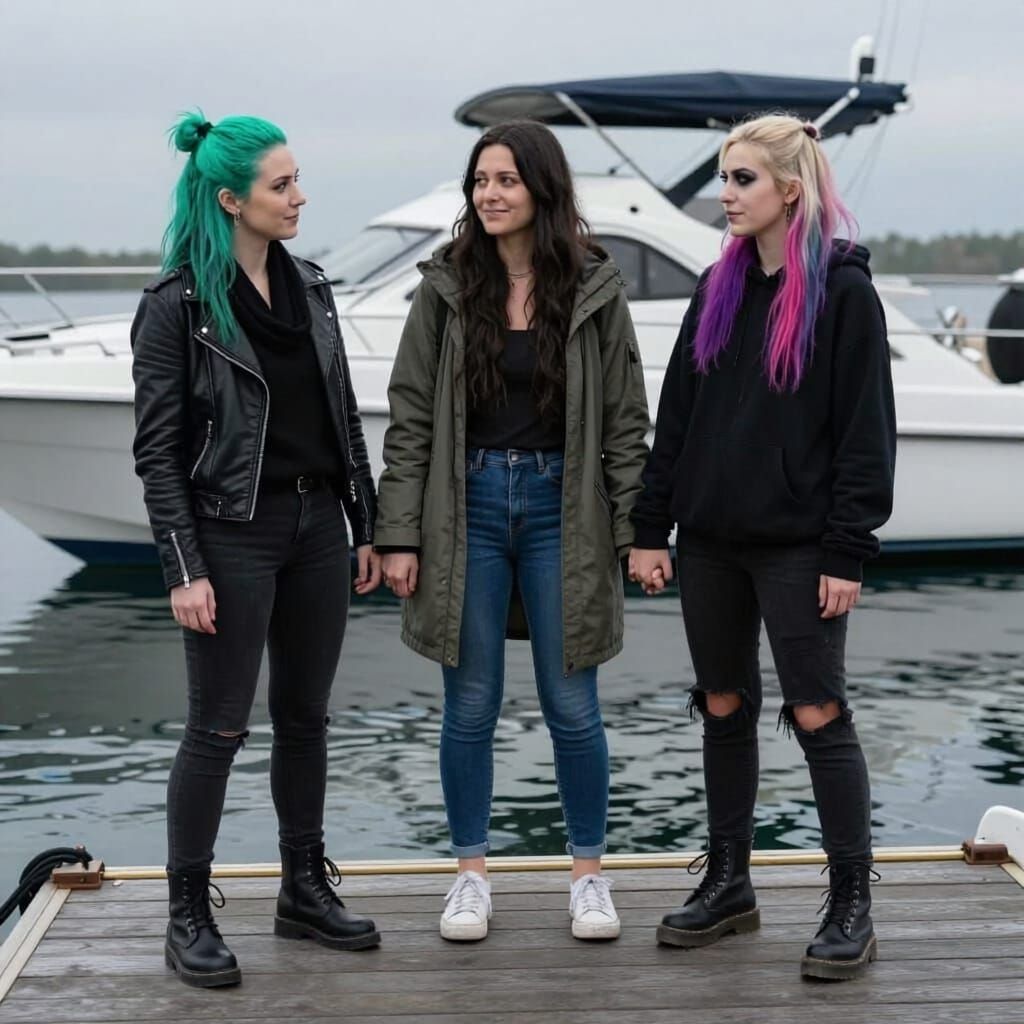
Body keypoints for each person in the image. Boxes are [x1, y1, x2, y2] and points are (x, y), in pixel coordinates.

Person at [629, 113, 896, 981]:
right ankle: (730, 883)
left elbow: (865, 434)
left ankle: (851, 901)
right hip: (709, 541)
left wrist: (847, 551)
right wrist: (649, 527)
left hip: (799, 545)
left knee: (819, 713)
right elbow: (678, 418)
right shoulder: (717, 288)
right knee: (722, 706)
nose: (725, 194)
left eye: (742, 179)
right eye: (723, 177)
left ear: (790, 189)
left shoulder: (844, 292)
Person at [374, 120, 650, 942]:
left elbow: (627, 423)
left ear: (541, 188)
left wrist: (640, 531)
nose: (487, 195)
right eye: (478, 181)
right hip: (469, 509)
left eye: (504, 181)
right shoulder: (447, 286)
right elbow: (412, 415)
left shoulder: (596, 287)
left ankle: (589, 876)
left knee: (574, 705)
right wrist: (400, 533)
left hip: (567, 509)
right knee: (470, 704)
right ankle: (469, 875)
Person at [131, 111, 382, 989]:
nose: (299, 197)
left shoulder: (311, 286)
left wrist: (369, 523)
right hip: (230, 535)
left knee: (306, 718)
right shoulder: (176, 308)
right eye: (282, 185)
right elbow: (157, 452)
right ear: (231, 198)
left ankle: (303, 889)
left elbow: (342, 418)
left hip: (319, 530)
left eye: (296, 179)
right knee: (218, 727)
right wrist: (183, 566)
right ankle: (188, 914)